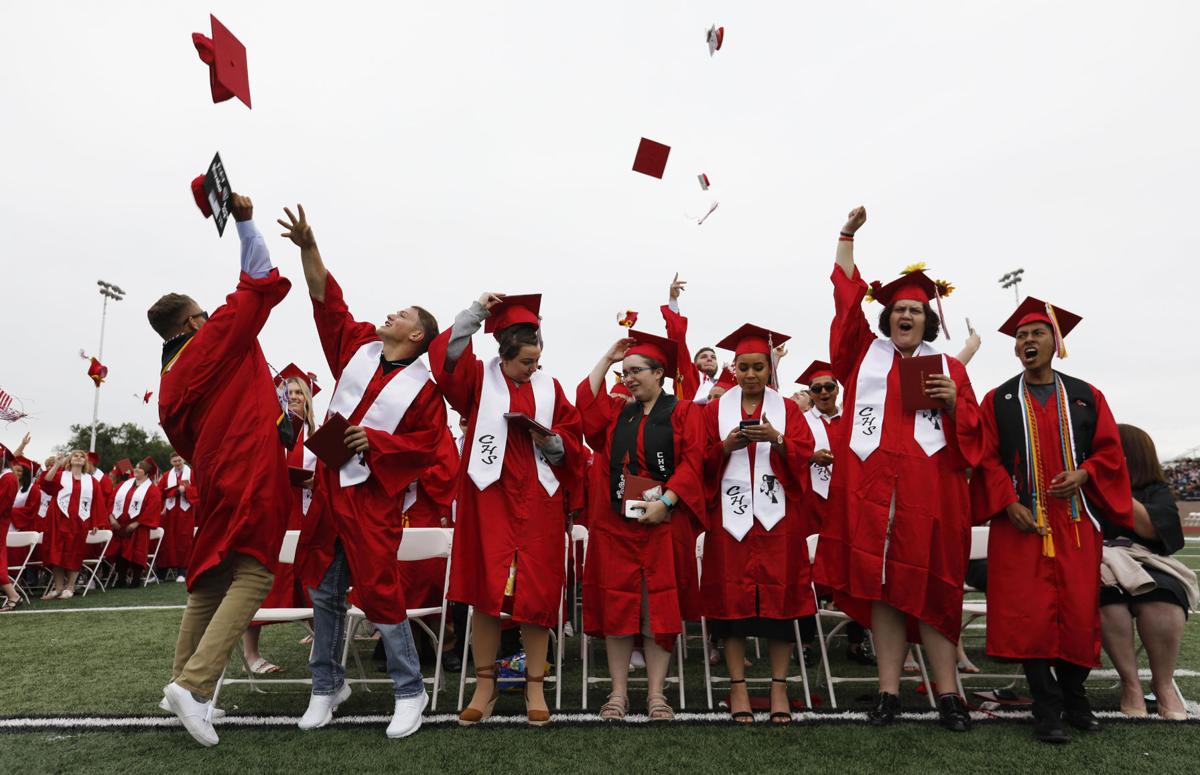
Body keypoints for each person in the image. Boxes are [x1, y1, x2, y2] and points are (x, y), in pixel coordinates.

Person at [814, 206, 983, 732]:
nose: (905, 315)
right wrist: (846, 239)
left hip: (927, 500)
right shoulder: (864, 356)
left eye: (914, 309)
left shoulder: (948, 367)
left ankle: (948, 696)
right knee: (882, 591)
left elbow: (975, 440)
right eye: (897, 309)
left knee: (933, 589)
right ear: (886, 317)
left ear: (927, 319)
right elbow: (846, 304)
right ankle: (888, 693)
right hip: (869, 495)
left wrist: (956, 402)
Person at [280, 205, 445, 739]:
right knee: (325, 592)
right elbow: (328, 301)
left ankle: (409, 689)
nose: (390, 315)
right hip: (330, 485)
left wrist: (373, 440)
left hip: (371, 494)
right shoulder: (358, 349)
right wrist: (308, 246)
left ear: (418, 335)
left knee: (377, 591)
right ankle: (327, 686)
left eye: (402, 315)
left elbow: (426, 446)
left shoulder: (424, 389)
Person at [148, 192, 292, 747]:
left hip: (213, 476)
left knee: (208, 581)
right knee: (255, 572)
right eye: (203, 313)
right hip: (249, 468)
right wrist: (248, 221)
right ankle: (196, 685)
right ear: (192, 319)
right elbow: (256, 285)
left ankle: (179, 684)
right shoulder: (209, 341)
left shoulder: (168, 383)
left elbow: (184, 435)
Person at [970, 296, 1134, 742]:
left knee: (1079, 611)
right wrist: (1007, 504)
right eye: (1021, 335)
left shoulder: (1084, 395)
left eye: (1037, 333)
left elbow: (1110, 452)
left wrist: (1085, 473)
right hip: (1020, 523)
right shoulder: (999, 399)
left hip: (1075, 522)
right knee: (1031, 615)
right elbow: (986, 460)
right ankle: (1046, 707)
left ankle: (1074, 697)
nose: (1027, 340)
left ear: (1055, 341)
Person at [429, 291, 584, 727]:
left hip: (538, 500)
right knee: (486, 591)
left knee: (534, 593)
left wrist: (554, 443)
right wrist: (474, 313)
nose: (532, 369)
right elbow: (446, 366)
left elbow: (573, 439)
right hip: (489, 498)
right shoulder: (480, 380)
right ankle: (485, 684)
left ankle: (535, 685)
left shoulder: (550, 388)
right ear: (504, 354)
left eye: (536, 361)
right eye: (524, 363)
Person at [576, 330, 705, 721]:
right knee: (617, 608)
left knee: (657, 610)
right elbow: (584, 412)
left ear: (659, 373)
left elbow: (694, 460)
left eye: (636, 371)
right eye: (624, 372)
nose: (628, 378)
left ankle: (655, 695)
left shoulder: (684, 412)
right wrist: (607, 359)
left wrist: (667, 501)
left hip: (663, 523)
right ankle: (617, 694)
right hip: (618, 525)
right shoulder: (619, 415)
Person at [702, 324, 816, 724]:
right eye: (743, 368)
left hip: (777, 523)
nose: (750, 375)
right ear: (733, 369)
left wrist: (779, 440)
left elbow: (804, 457)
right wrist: (724, 448)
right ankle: (738, 690)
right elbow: (697, 461)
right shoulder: (715, 410)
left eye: (758, 368)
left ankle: (779, 687)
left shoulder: (786, 410)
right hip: (730, 525)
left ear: (770, 369)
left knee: (779, 607)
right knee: (732, 608)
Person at [1100, 424, 1197, 721]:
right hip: (1100, 562)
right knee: (1108, 600)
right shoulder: (1088, 484)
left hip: (1149, 560)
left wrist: (1116, 487)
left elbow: (1153, 530)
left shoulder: (1156, 491)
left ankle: (1163, 683)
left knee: (1164, 598)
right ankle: (1130, 683)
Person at [241, 366, 320, 676]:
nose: (295, 398)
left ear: (309, 398)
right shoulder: (270, 431)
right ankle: (251, 654)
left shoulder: (318, 432)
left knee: (313, 584)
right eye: (289, 394)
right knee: (261, 584)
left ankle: (323, 642)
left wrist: (317, 481)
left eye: (300, 393)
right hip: (275, 518)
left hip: (308, 518)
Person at [39, 449, 98, 600]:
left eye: (81, 457)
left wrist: (97, 522)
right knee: (56, 553)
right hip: (58, 519)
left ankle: (70, 587)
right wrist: (56, 465)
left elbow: (97, 504)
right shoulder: (60, 476)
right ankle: (58, 588)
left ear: (85, 462)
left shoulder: (91, 481)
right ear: (70, 460)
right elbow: (45, 483)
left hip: (79, 521)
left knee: (75, 553)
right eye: (75, 456)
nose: (78, 458)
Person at [660, 273, 719, 403]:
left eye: (713, 357)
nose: (710, 358)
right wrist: (673, 300)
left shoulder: (724, 386)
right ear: (694, 362)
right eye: (704, 357)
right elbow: (677, 339)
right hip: (688, 421)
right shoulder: (688, 372)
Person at [107, 457, 164, 588]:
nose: (136, 469)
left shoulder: (152, 489)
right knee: (120, 552)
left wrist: (137, 523)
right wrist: (111, 518)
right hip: (119, 525)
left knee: (137, 552)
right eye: (136, 467)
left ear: (146, 472)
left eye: (140, 468)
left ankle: (136, 579)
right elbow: (111, 500)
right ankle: (121, 579)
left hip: (138, 527)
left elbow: (152, 508)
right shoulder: (123, 484)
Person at [157, 452, 198, 582]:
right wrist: (175, 491)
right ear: (171, 462)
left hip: (185, 511)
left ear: (183, 460)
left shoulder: (192, 473)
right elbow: (160, 492)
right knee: (167, 541)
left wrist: (186, 490)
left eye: (179, 461)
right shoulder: (166, 476)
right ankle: (162, 573)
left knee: (184, 540)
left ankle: (182, 571)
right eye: (174, 461)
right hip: (169, 512)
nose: (177, 463)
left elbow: (198, 489)